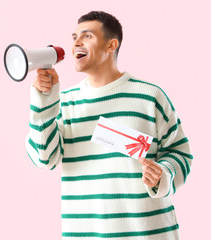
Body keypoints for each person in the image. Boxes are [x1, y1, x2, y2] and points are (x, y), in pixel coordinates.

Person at [26, 11, 192, 239]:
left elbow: (180, 153)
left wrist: (163, 174)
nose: (76, 42)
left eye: (87, 36)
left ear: (111, 45)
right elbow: (44, 158)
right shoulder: (65, 102)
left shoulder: (149, 96)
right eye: (74, 37)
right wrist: (44, 99)